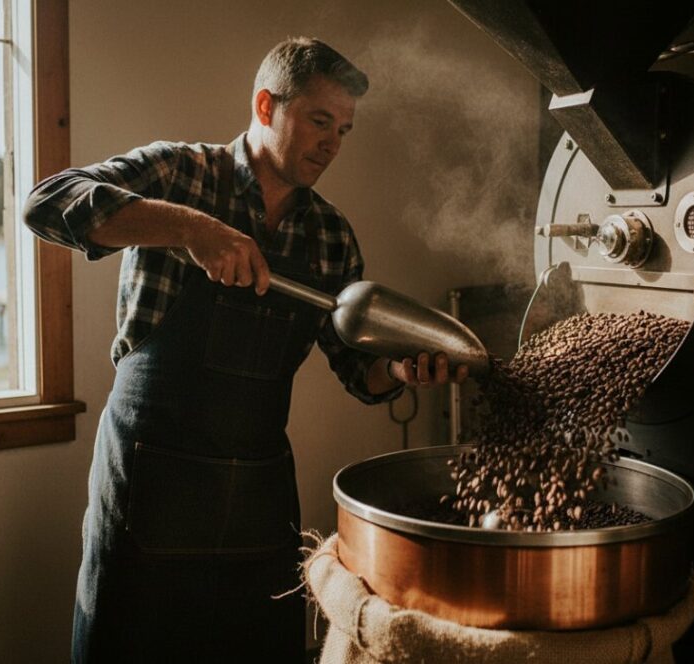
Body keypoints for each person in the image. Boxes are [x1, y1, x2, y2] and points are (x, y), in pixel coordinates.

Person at [24, 37, 468, 662]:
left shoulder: (331, 236)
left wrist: (399, 368)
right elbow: (46, 203)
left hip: (257, 503)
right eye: (319, 121)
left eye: (343, 130)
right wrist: (191, 228)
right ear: (266, 105)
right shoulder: (180, 173)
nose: (331, 145)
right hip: (151, 486)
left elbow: (356, 370)